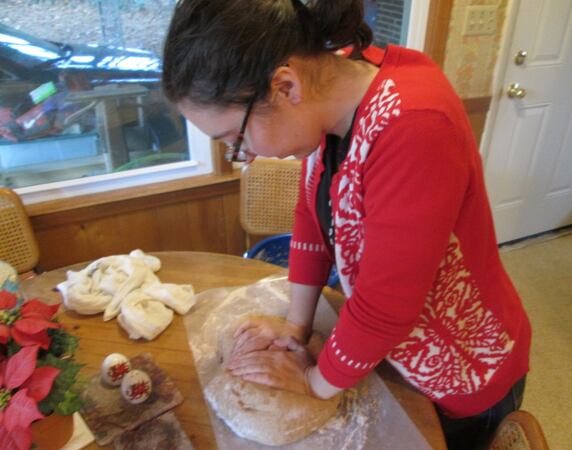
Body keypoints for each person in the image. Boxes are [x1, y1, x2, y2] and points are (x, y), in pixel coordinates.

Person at [162, 1, 532, 449]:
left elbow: (386, 304)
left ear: (285, 86)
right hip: (390, 352)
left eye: (234, 139)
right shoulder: (328, 94)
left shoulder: (414, 125)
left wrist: (312, 385)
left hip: (458, 374)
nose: (246, 156)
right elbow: (311, 219)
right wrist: (295, 327)